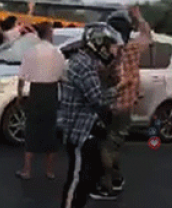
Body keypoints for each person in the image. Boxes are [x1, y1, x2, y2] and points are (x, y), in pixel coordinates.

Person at [58, 23, 120, 208]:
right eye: (111, 46)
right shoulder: (84, 65)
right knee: (77, 180)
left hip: (84, 129)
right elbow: (97, 98)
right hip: (80, 132)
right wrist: (120, 89)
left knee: (85, 179)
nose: (114, 52)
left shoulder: (85, 61)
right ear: (99, 45)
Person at [95, 7, 152, 199]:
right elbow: (147, 35)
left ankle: (107, 186)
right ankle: (117, 179)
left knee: (106, 147)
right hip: (127, 105)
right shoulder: (134, 48)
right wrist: (138, 17)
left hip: (112, 105)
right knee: (116, 142)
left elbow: (115, 79)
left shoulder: (110, 52)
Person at [15, 22, 65, 181]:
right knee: (50, 131)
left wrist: (19, 96)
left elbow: (22, 77)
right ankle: (49, 171)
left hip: (36, 91)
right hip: (52, 92)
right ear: (49, 34)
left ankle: (27, 170)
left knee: (32, 130)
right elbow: (62, 76)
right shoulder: (57, 53)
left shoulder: (31, 52)